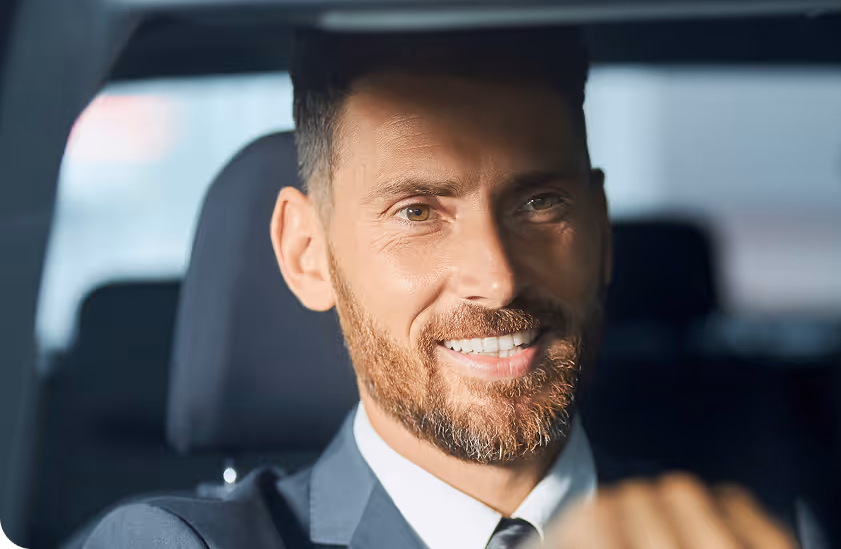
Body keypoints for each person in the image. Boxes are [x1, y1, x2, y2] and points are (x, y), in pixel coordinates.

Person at [81, 27, 802, 549]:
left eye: (539, 204)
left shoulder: (738, 532)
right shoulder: (177, 545)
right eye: (418, 212)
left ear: (601, 231)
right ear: (308, 255)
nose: (497, 278)